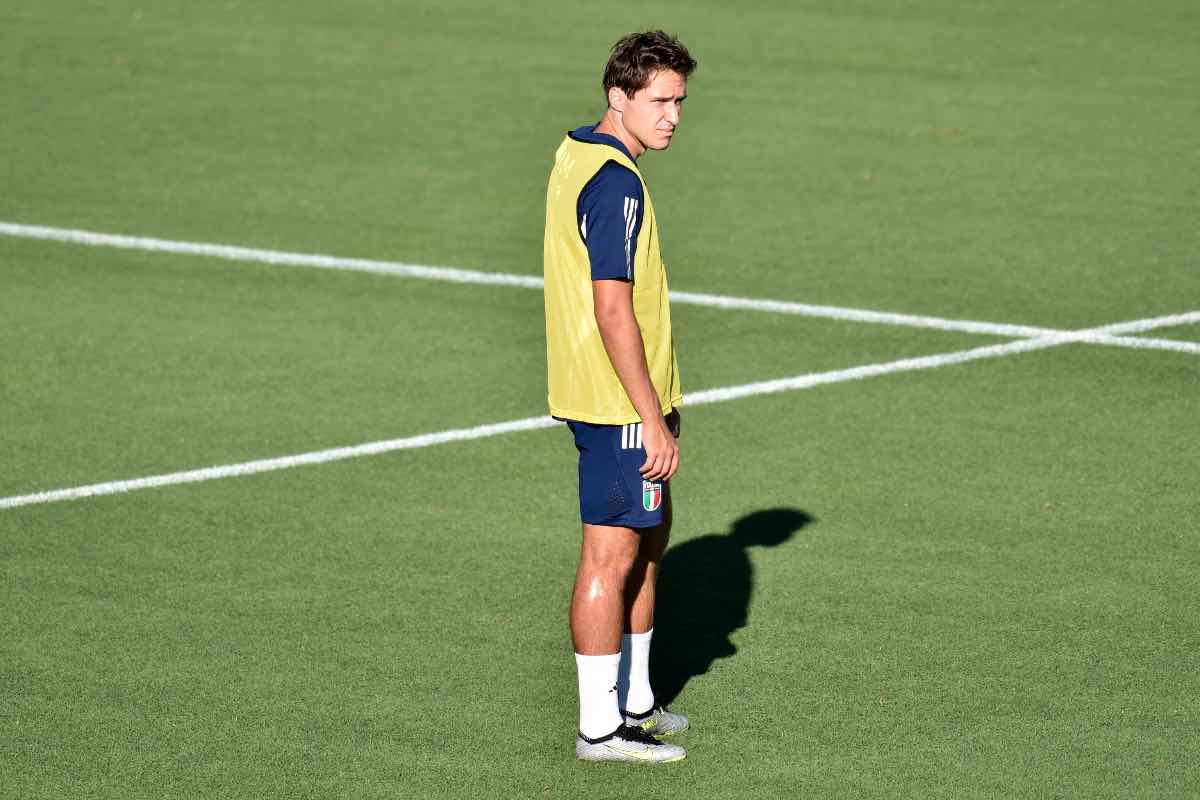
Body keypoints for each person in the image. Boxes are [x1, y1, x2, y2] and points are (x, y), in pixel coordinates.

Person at [542, 30, 697, 764]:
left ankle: (635, 701)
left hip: (617, 397)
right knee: (609, 556)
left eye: (679, 102)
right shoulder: (616, 183)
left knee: (648, 542)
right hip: (617, 406)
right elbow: (612, 308)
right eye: (659, 101)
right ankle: (600, 730)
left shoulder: (579, 152)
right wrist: (648, 416)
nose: (673, 117)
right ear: (619, 96)